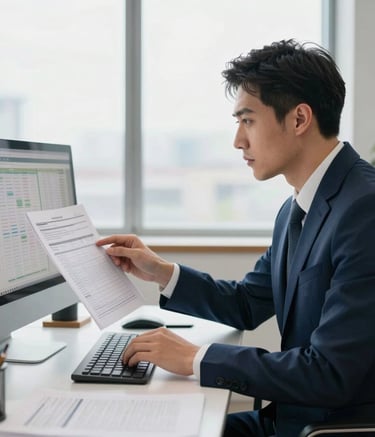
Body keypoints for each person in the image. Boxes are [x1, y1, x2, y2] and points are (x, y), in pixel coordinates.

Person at [96, 39, 375, 437]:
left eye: (248, 120)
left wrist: (196, 358)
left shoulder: (364, 209)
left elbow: (330, 373)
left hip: (326, 430)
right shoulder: (297, 209)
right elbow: (247, 303)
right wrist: (161, 272)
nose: (238, 141)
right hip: (291, 420)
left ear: (299, 119)